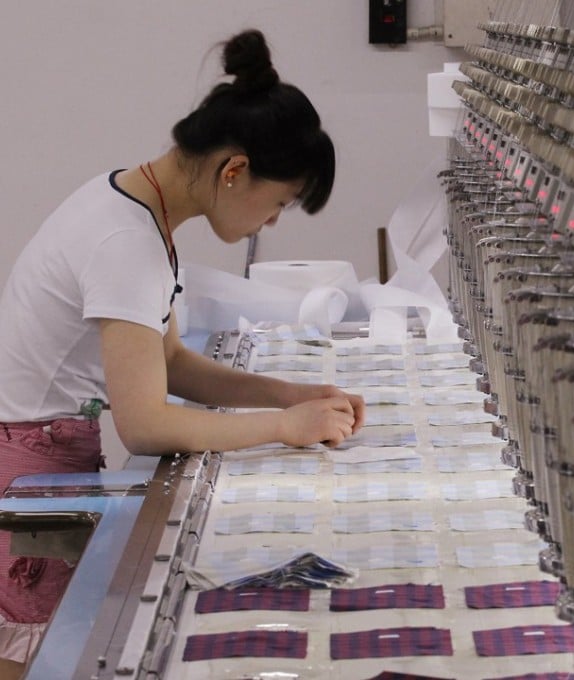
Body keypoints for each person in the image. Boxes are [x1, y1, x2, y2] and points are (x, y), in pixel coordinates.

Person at [0, 29, 365, 676]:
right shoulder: (126, 244)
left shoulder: (136, 209)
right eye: (277, 203)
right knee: (50, 662)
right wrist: (283, 429)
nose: (273, 222)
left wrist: (291, 395)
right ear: (233, 171)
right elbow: (143, 424)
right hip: (29, 474)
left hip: (47, 447)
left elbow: (170, 365)